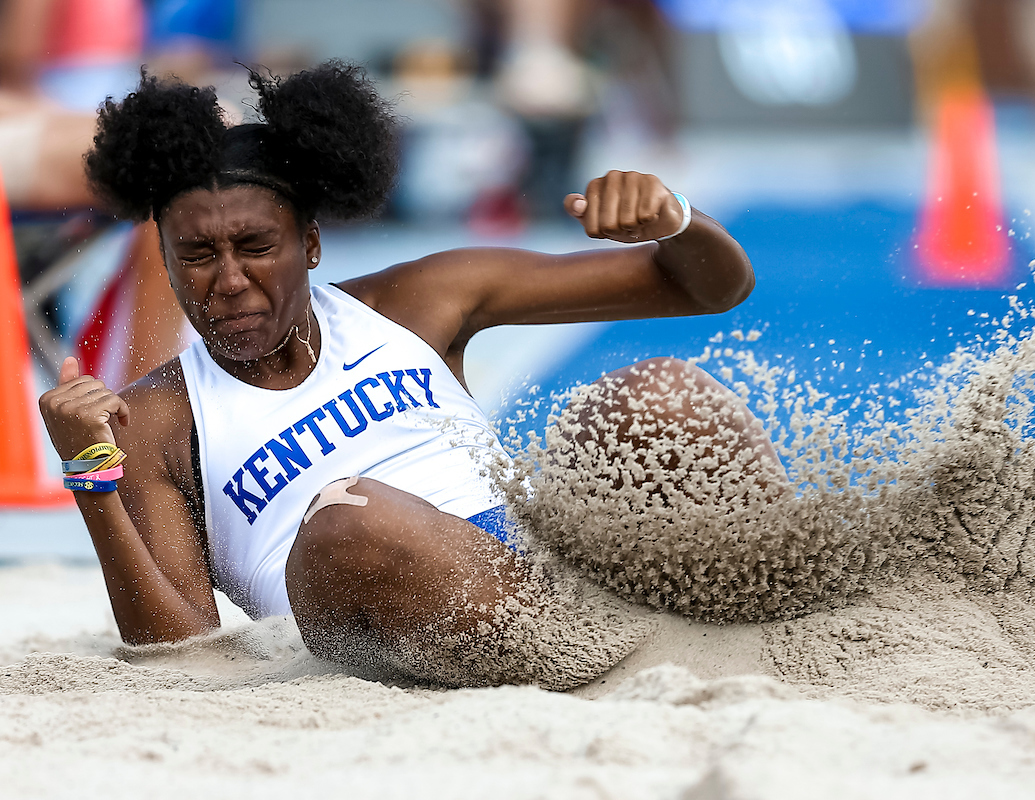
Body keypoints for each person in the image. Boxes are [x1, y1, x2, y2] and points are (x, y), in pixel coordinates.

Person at [37, 62, 781, 685]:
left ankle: (796, 605)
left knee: (659, 396)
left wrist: (677, 219)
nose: (228, 281)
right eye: (197, 257)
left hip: (544, 560)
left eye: (257, 246)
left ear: (313, 244)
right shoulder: (154, 421)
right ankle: (608, 650)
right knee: (344, 521)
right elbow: (185, 656)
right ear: (165, 262)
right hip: (380, 592)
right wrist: (89, 473)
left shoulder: (418, 300)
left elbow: (708, 288)